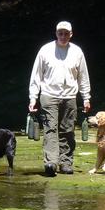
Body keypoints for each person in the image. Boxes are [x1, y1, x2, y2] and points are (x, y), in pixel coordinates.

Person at [27, 20, 91, 176]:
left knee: (67, 130)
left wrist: (86, 97)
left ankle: (66, 163)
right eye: (60, 33)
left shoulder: (77, 52)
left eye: (66, 33)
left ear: (71, 34)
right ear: (56, 34)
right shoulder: (45, 50)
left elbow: (83, 76)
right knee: (51, 129)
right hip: (49, 96)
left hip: (70, 97)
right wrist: (33, 98)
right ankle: (51, 163)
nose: (63, 36)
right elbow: (36, 75)